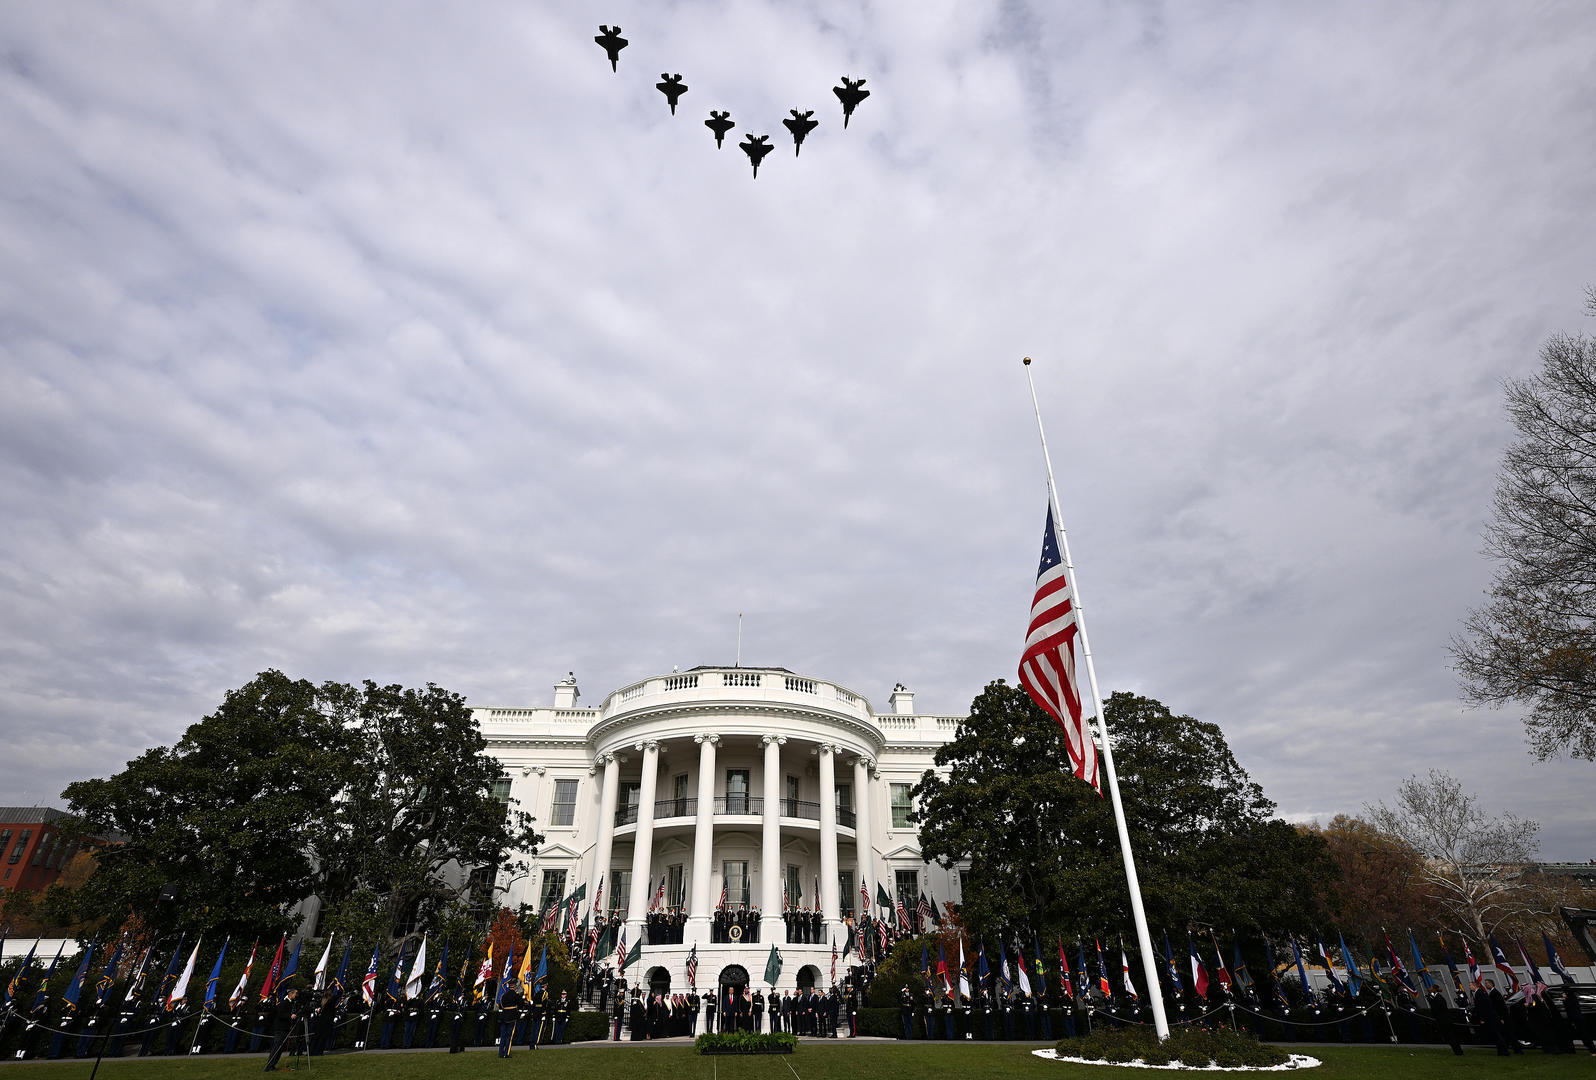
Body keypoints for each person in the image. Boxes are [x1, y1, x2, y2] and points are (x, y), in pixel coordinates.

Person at [497, 982, 524, 1058]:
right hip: (512, 1017)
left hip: (503, 1016)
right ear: (514, 987)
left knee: (503, 1036)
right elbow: (521, 1004)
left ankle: (500, 1053)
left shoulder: (504, 995)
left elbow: (500, 1005)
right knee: (509, 1036)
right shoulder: (516, 995)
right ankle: (507, 1053)